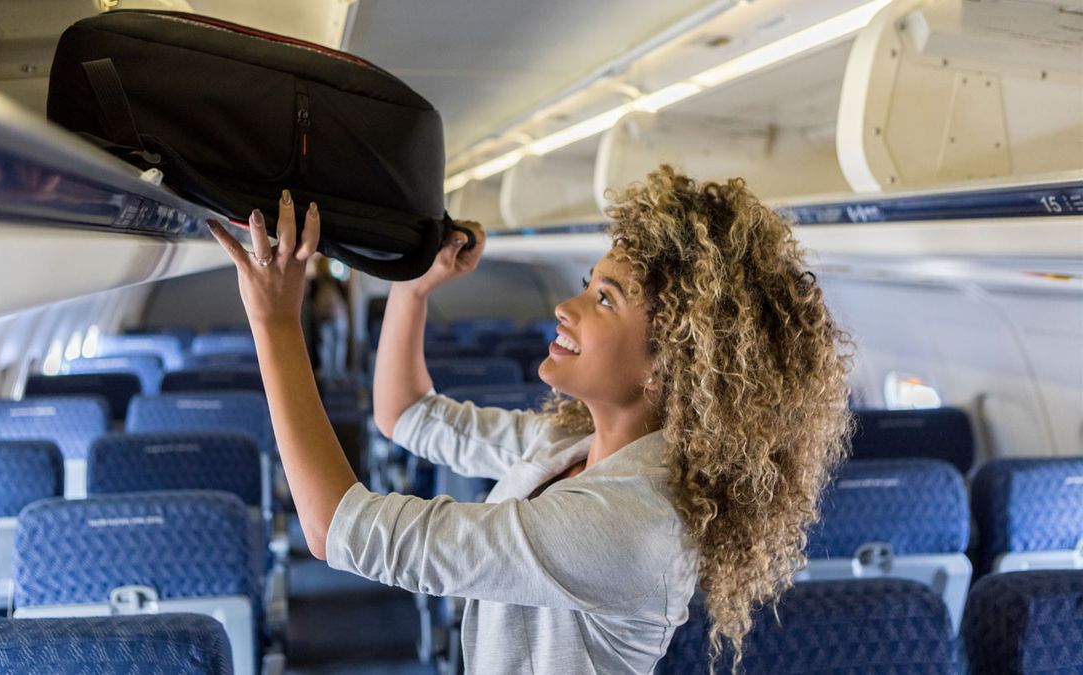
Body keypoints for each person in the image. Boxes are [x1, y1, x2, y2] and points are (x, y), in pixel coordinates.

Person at [207, 165, 853, 674]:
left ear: (667, 364)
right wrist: (414, 285)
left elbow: (336, 529)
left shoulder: (630, 525)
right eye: (586, 282)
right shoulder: (574, 444)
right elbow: (405, 413)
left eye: (605, 298)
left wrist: (274, 321)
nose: (567, 307)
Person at [307, 255, 351, 380]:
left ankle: (327, 373)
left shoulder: (315, 282)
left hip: (324, 317)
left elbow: (312, 302)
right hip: (339, 315)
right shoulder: (336, 280)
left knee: (326, 345)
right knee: (340, 344)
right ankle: (339, 371)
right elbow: (344, 298)